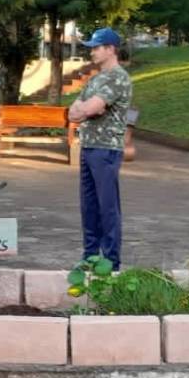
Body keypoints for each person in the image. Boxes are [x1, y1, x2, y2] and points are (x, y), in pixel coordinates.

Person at [66, 27, 132, 269]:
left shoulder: (118, 77)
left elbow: (91, 108)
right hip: (89, 146)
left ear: (111, 49)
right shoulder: (94, 79)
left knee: (108, 207)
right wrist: (86, 109)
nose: (91, 52)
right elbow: (74, 112)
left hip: (107, 150)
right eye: (91, 47)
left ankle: (111, 261)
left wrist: (88, 109)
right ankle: (90, 256)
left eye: (96, 47)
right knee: (89, 206)